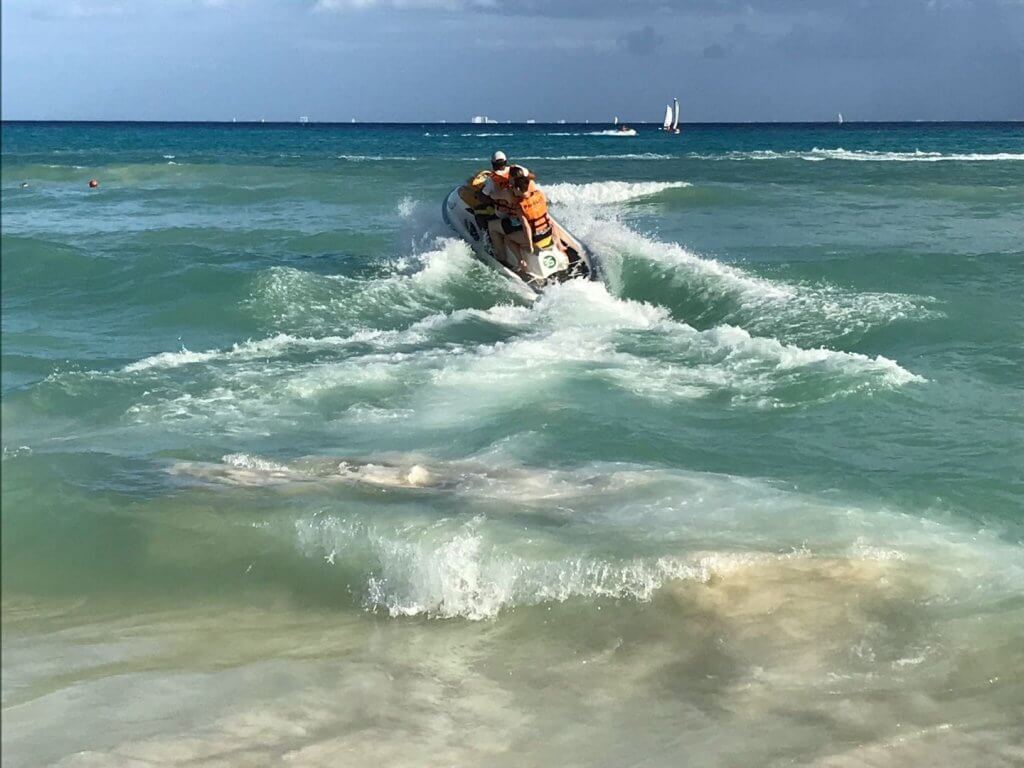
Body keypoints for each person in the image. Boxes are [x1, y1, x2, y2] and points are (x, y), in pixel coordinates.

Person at [502, 167, 554, 271]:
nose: (512, 189)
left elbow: (526, 227)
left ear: (517, 189)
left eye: (513, 188)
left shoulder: (520, 205)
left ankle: (521, 261)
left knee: (507, 239)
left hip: (537, 240)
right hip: (549, 233)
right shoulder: (539, 194)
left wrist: (530, 245)